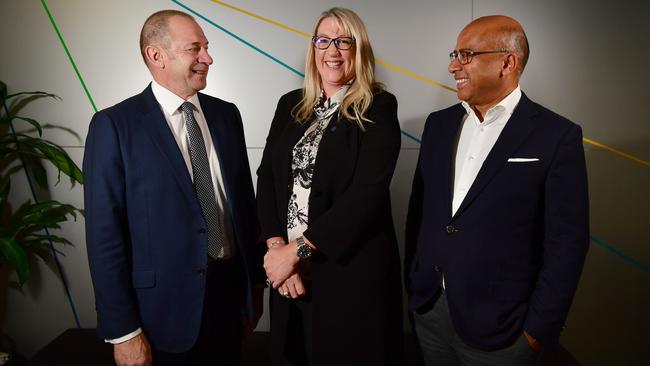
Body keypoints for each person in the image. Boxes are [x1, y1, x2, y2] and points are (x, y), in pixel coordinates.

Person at [405, 15, 589, 366]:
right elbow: (419, 215)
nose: (452, 65)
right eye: (454, 54)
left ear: (508, 62)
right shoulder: (438, 126)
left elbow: (567, 243)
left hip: (505, 332)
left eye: (466, 55)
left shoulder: (556, 136)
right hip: (430, 314)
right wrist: (414, 290)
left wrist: (537, 332)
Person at [83, 9, 263, 366]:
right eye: (194, 48)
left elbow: (244, 208)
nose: (207, 58)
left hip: (229, 304)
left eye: (207, 47)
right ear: (156, 55)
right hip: (158, 318)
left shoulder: (227, 115)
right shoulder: (115, 126)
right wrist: (123, 331)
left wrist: (253, 288)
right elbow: (105, 237)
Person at [257, 7, 403, 366]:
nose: (332, 51)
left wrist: (297, 252)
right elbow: (267, 180)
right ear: (313, 48)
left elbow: (365, 196)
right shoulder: (290, 104)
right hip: (288, 278)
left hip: (348, 276)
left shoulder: (378, 106)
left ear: (359, 50)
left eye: (344, 41)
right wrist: (278, 249)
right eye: (324, 40)